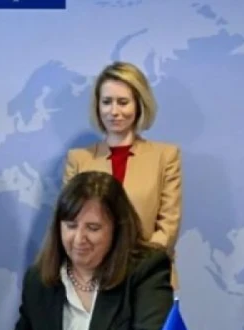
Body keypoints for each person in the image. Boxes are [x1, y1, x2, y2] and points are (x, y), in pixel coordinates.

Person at [2, 171, 174, 330]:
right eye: (71, 225)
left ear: (117, 228)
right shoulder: (39, 279)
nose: (79, 239)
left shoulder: (146, 269)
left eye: (93, 228)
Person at [63, 61, 181, 288]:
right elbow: (70, 224)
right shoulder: (78, 159)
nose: (114, 111)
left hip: (149, 279)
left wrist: (134, 268)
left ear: (139, 104)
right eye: (107, 102)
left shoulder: (166, 156)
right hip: (93, 281)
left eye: (123, 102)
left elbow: (168, 228)